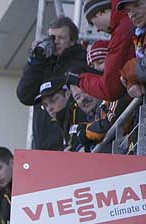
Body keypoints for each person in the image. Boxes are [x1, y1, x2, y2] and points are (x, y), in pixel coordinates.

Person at [17, 16, 88, 150]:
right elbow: (24, 95)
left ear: (72, 40)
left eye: (61, 38)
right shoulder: (42, 65)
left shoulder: (81, 61)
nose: (55, 42)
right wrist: (36, 59)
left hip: (69, 139)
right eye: (52, 38)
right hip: (44, 143)